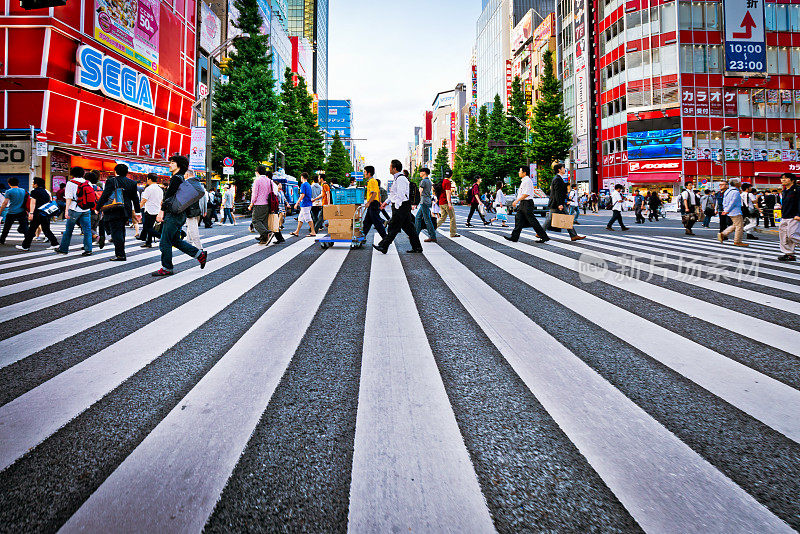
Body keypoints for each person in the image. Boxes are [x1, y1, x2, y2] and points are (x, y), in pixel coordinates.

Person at [152, 155, 208, 276]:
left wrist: (161, 211)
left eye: (172, 162)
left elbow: (168, 197)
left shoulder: (176, 179)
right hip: (180, 215)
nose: (169, 164)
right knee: (175, 240)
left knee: (164, 242)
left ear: (178, 165)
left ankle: (167, 268)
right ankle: (199, 254)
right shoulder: (181, 178)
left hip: (172, 215)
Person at [373, 160, 423, 254]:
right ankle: (417, 247)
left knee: (393, 227)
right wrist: (386, 202)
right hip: (402, 206)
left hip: (401, 206)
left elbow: (401, 195)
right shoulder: (398, 178)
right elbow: (394, 195)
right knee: (409, 228)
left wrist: (396, 206)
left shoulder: (401, 179)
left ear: (394, 168)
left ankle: (384, 246)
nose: (389, 169)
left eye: (390, 167)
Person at [95, 164, 141, 261]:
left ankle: (120, 255)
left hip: (114, 209)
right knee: (121, 230)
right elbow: (135, 198)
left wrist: (98, 207)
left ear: (115, 171)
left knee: (116, 232)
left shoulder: (111, 181)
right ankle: (121, 252)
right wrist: (137, 211)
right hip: (126, 210)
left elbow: (105, 195)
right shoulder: (132, 182)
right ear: (126, 172)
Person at [506, 166, 550, 243]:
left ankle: (544, 236)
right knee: (518, 219)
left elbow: (526, 194)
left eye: (520, 171)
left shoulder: (527, 181)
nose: (518, 173)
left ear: (524, 172)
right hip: (523, 203)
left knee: (533, 221)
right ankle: (514, 237)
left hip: (527, 203)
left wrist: (516, 201)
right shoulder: (524, 181)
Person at [56, 167, 94, 256]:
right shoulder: (88, 183)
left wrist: (66, 210)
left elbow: (68, 198)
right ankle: (88, 249)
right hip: (86, 209)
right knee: (87, 230)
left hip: (74, 208)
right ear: (83, 174)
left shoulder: (70, 183)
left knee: (68, 230)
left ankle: (63, 249)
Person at [546, 163, 586, 241]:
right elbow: (557, 193)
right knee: (550, 219)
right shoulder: (557, 179)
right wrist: (560, 204)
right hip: (556, 203)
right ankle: (540, 232)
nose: (564, 169)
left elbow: (561, 193)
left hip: (557, 203)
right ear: (559, 170)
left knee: (565, 218)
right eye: (563, 168)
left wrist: (568, 199)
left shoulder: (558, 178)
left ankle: (573, 235)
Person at [16, 177, 58, 250]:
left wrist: (31, 213)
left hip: (37, 213)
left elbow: (33, 203)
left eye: (33, 183)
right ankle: (55, 243)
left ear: (36, 184)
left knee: (31, 230)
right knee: (46, 229)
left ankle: (25, 246)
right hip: (45, 213)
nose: (32, 184)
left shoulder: (34, 192)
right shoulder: (45, 192)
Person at [249, 165, 276, 246]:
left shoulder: (257, 181)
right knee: (264, 222)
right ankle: (264, 239)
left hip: (259, 204)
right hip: (267, 204)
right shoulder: (269, 181)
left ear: (257, 172)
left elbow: (254, 194)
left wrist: (251, 204)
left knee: (255, 221)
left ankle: (268, 233)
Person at [718, 179, 747, 247]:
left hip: (730, 211)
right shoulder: (735, 192)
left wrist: (725, 209)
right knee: (739, 226)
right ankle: (737, 241)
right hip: (735, 211)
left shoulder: (727, 191)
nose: (740, 184)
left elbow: (724, 202)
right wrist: (727, 210)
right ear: (736, 184)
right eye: (739, 182)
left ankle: (723, 234)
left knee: (736, 225)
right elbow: (733, 202)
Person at [777, 173, 799, 261]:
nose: (783, 180)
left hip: (794, 216)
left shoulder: (797, 190)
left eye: (786, 178)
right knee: (783, 236)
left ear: (792, 180)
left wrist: (798, 215)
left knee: (792, 235)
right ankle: (789, 254)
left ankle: (789, 253)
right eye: (782, 178)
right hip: (785, 216)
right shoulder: (785, 191)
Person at [0, 176, 29, 244]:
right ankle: (28, 240)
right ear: (18, 183)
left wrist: (0, 211)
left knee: (6, 227)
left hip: (11, 211)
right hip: (22, 211)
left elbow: (5, 203)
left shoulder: (8, 191)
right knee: (25, 227)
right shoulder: (23, 190)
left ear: (9, 184)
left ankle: (2, 240)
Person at [362, 165, 388, 240]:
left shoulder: (372, 181)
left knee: (377, 223)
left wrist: (368, 203)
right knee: (367, 222)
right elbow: (378, 192)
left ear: (369, 173)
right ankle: (363, 236)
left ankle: (385, 238)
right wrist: (379, 202)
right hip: (374, 203)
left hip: (373, 203)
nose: (364, 173)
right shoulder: (373, 181)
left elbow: (374, 193)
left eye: (365, 172)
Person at [183, 170, 206, 250]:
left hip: (190, 209)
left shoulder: (187, 183)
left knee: (193, 229)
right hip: (197, 209)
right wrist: (203, 209)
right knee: (191, 227)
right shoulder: (199, 183)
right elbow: (203, 197)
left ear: (187, 174)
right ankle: (189, 242)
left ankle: (199, 247)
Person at [139, 173, 163, 248]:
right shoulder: (160, 189)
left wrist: (138, 209)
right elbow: (161, 201)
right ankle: (148, 242)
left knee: (147, 228)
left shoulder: (149, 189)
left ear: (149, 179)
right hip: (157, 210)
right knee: (150, 227)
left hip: (149, 210)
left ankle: (161, 237)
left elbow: (144, 200)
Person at [434, 170, 460, 237]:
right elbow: (448, 192)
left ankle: (432, 228)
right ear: (451, 175)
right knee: (452, 217)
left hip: (441, 202)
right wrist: (449, 203)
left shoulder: (442, 181)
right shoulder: (448, 182)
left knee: (442, 218)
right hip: (446, 202)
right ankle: (453, 233)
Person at [414, 167, 437, 243]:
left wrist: (416, 202)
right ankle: (415, 235)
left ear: (424, 172)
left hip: (423, 201)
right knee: (418, 217)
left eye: (421, 172)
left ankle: (433, 236)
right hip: (427, 201)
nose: (420, 173)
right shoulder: (429, 181)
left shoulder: (423, 181)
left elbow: (420, 191)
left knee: (427, 219)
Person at [291, 172, 316, 237]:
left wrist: (297, 203)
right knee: (300, 218)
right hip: (307, 203)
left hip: (305, 203)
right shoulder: (308, 184)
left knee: (308, 218)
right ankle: (297, 231)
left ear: (302, 177)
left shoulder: (303, 185)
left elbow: (302, 195)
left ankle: (313, 231)